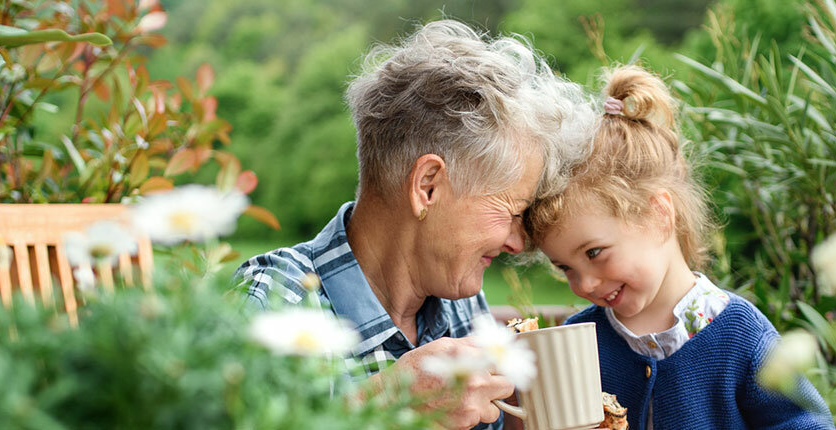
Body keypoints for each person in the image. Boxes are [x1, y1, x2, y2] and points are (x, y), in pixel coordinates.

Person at [234, 20, 596, 430]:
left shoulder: (461, 303)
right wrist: (388, 404)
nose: (516, 242)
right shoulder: (271, 304)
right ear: (427, 186)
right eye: (512, 212)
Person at [523, 65, 833, 429]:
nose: (585, 284)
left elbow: (808, 423)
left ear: (658, 215)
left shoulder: (740, 335)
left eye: (594, 253)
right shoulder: (581, 344)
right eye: (565, 268)